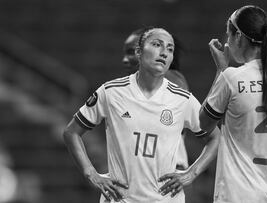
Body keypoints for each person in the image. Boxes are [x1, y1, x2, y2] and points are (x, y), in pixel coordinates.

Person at [63, 27, 220, 203]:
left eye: (170, 49)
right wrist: (90, 173)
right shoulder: (111, 91)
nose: (164, 52)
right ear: (139, 52)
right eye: (156, 45)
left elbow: (215, 137)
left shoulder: (182, 98)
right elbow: (71, 132)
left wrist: (192, 173)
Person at [200, 5, 267, 203]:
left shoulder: (231, 78)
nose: (227, 42)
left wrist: (220, 71)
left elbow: (204, 125)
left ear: (238, 36)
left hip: (236, 196)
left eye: (228, 35)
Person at [122, 27, 189, 170]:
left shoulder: (171, 78)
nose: (125, 60)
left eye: (131, 52)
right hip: (142, 171)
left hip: (168, 172)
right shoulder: (127, 88)